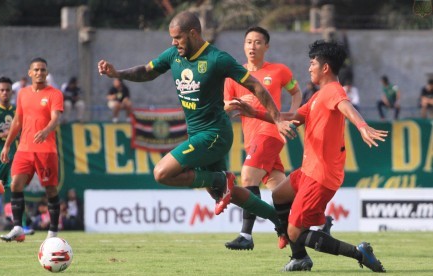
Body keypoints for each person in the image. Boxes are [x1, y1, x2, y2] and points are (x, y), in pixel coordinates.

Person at [98, 11, 287, 233]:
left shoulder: (218, 59)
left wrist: (278, 118)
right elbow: (147, 71)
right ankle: (279, 221)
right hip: (196, 134)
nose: (173, 42)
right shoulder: (173, 56)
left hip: (215, 134)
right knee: (228, 192)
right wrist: (117, 73)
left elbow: (256, 85)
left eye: (178, 37)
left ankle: (219, 179)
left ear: (193, 33)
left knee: (162, 173)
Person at [231, 40, 387, 272]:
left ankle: (359, 253)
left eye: (312, 63)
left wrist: (362, 126)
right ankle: (299, 254)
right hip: (308, 171)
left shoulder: (334, 90)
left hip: (321, 176)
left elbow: (346, 106)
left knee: (296, 232)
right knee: (279, 196)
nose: (309, 67)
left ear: (325, 68)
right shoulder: (317, 96)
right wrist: (255, 112)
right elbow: (292, 115)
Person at [223, 26, 302, 250]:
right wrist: (229, 105)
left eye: (258, 42)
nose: (252, 46)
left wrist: (292, 115)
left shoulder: (278, 71)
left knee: (247, 175)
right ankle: (315, 223)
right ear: (243, 45)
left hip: (270, 132)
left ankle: (245, 236)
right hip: (251, 138)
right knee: (280, 191)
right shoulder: (235, 76)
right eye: (249, 42)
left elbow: (295, 92)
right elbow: (225, 104)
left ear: (266, 46)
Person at [0, 57, 64, 242]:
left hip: (46, 150)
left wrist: (46, 131)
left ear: (46, 72)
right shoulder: (22, 94)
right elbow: (17, 121)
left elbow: (55, 118)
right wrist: (7, 145)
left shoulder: (54, 94)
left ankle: (52, 232)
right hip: (24, 149)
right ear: (30, 73)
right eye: (36, 70)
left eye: (43, 70)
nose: (40, 73)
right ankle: (18, 227)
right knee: (15, 185)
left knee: (51, 190)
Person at [0, 76, 35, 236]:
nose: (5, 93)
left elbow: (24, 128)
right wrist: (1, 134)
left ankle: (22, 225)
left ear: (12, 92)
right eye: (2, 90)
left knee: (17, 189)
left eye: (8, 90)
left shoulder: (17, 110)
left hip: (15, 155)